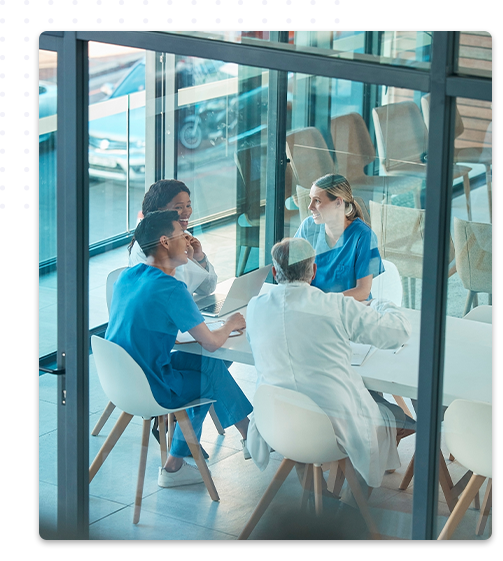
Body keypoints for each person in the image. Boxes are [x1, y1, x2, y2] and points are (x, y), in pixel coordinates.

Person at [245, 237, 415, 493]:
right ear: (313, 271)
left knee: (304, 396)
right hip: (329, 430)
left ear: (274, 272)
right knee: (396, 417)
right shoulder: (334, 306)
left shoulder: (255, 308)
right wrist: (379, 302)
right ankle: (351, 505)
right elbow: (397, 333)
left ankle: (319, 493)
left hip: (278, 424)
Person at [106, 209, 252, 488]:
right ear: (164, 242)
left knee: (208, 367)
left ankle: (244, 437)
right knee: (207, 377)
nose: (188, 241)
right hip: (152, 387)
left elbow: (145, 326)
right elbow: (210, 343)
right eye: (182, 236)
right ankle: (181, 463)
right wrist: (230, 323)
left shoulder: (128, 276)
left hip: (122, 380)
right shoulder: (171, 288)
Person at [294, 173, 384, 301]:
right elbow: (293, 273)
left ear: (338, 203)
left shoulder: (363, 236)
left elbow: (363, 291)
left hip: (349, 310)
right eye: (310, 199)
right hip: (314, 308)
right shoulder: (308, 227)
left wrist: (324, 302)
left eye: (317, 201)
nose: (310, 207)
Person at [129, 179, 217, 296]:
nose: (187, 212)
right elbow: (172, 293)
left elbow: (208, 288)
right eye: (179, 207)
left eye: (188, 205)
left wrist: (199, 258)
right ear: (160, 212)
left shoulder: (183, 236)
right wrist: (189, 261)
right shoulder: (147, 247)